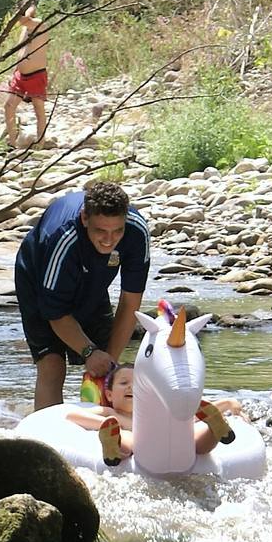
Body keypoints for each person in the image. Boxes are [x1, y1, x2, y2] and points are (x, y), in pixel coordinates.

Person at [13, 179, 150, 410]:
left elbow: (130, 301)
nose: (109, 240)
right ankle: (47, 441)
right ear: (85, 218)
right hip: (38, 278)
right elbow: (55, 314)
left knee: (108, 367)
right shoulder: (62, 238)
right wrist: (89, 351)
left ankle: (108, 433)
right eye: (101, 231)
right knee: (53, 365)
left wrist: (107, 362)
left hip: (93, 281)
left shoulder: (137, 231)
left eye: (117, 231)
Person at [63, 363, 240, 466]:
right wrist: (113, 423)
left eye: (138, 384)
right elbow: (73, 416)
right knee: (127, 436)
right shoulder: (110, 413)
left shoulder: (155, 412)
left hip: (169, 441)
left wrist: (227, 403)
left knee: (190, 434)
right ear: (109, 395)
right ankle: (113, 445)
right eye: (124, 383)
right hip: (137, 442)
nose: (131, 387)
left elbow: (192, 414)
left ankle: (214, 428)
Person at [0, 4, 51, 146]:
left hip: (36, 74)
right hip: (20, 75)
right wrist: (14, 72)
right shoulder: (24, 29)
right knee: (9, 106)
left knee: (38, 108)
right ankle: (12, 141)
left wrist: (30, 5)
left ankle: (40, 142)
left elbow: (24, 19)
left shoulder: (39, 24)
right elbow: (20, 52)